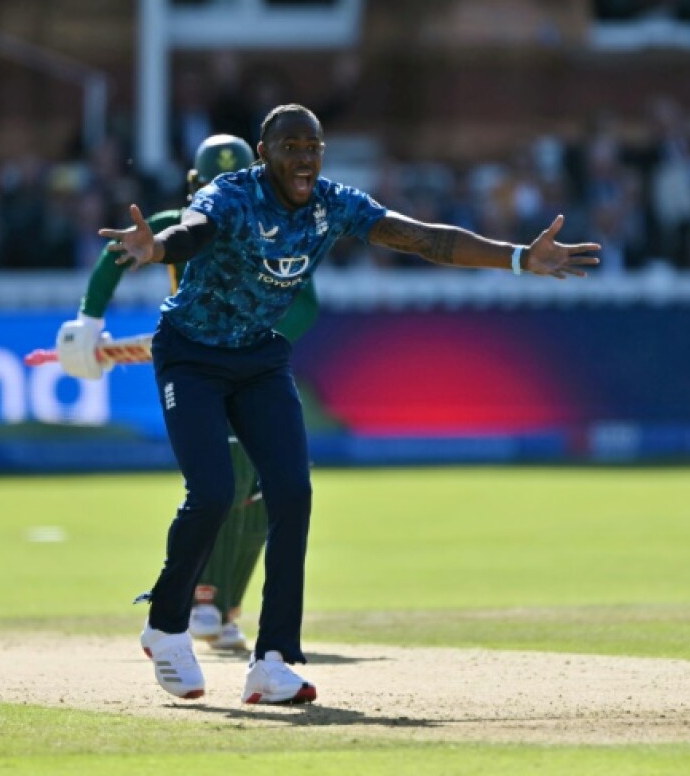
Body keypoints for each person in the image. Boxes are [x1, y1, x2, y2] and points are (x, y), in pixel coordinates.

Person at [100, 104, 600, 705]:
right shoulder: (231, 194)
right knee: (212, 492)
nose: (304, 158)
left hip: (259, 356)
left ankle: (274, 659)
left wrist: (519, 257)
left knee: (293, 493)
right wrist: (157, 250)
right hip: (191, 354)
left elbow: (426, 240)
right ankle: (166, 624)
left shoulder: (332, 203)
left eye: (313, 147)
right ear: (264, 154)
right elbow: (193, 233)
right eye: (290, 146)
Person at [57, 135, 320, 652]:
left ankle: (223, 609)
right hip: (199, 367)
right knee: (224, 483)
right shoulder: (182, 222)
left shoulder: (279, 228)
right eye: (210, 186)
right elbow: (118, 255)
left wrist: (257, 336)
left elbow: (305, 305)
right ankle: (201, 598)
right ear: (194, 189)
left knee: (266, 494)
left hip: (250, 367)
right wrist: (89, 319)